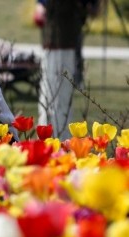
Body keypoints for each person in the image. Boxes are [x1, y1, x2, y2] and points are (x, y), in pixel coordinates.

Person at [34, 0, 99, 139]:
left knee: (61, 94)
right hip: (55, 39)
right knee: (52, 91)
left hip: (66, 37)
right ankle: (52, 136)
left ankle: (59, 137)